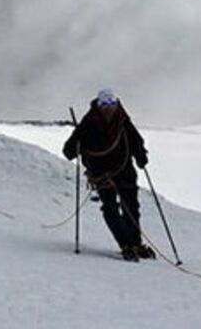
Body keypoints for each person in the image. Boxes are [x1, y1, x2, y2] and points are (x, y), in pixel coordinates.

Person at [63, 89, 154, 261]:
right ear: (98, 105)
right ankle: (126, 244)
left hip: (122, 171)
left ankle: (134, 243)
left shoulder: (122, 120)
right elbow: (69, 149)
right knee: (111, 208)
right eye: (105, 104)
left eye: (111, 104)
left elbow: (136, 140)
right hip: (102, 174)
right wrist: (74, 148)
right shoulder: (89, 123)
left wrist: (141, 155)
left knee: (131, 207)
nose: (109, 108)